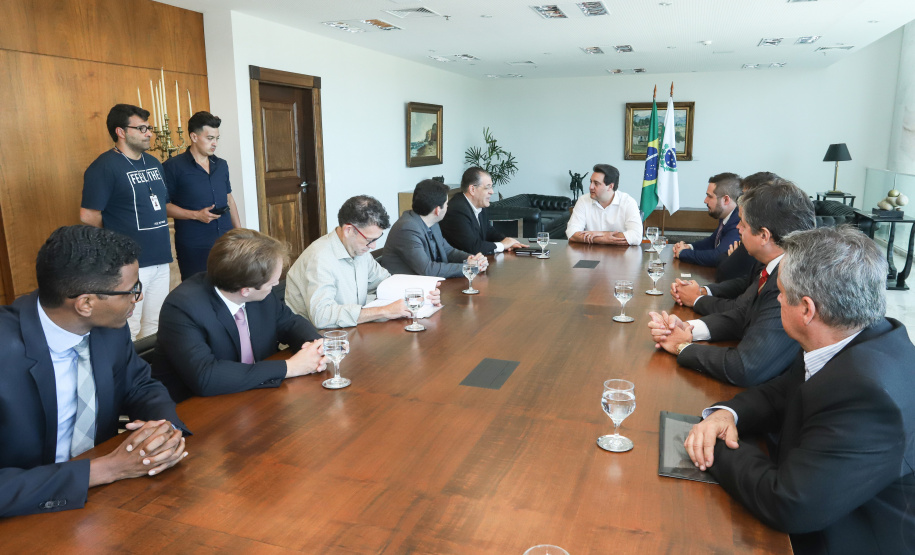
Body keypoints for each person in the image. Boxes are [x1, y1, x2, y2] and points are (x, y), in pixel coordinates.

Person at [684, 226, 915, 554]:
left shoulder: (869, 396)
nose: (776, 298)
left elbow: (788, 504)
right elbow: (782, 390)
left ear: (807, 310)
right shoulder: (853, 332)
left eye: (780, 292)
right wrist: (727, 414)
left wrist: (713, 445)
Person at [0, 226, 188, 518]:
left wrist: (164, 431)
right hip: (29, 514)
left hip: (107, 503)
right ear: (85, 303)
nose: (135, 300)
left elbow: (140, 385)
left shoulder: (108, 327)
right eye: (131, 291)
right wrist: (106, 469)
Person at [648, 180, 815, 386]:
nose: (737, 228)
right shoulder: (774, 263)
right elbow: (742, 315)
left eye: (743, 224)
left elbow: (746, 367)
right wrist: (688, 328)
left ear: (764, 235)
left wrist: (682, 347)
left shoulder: (792, 284)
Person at [155, 229, 326, 402]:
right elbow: (206, 376)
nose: (275, 286)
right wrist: (290, 367)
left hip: (257, 396)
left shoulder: (257, 288)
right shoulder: (182, 308)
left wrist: (317, 348)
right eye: (271, 284)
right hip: (200, 408)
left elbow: (290, 323)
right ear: (246, 291)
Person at [80, 104, 172, 341]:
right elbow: (88, 216)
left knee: (156, 325)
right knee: (127, 328)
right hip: (129, 264)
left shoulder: (153, 163)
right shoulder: (104, 166)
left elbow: (161, 205)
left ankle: (149, 376)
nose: (149, 133)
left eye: (149, 128)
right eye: (141, 128)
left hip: (161, 258)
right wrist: (115, 247)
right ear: (121, 132)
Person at [286, 195, 441, 329]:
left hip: (350, 331)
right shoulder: (320, 258)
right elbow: (322, 316)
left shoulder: (359, 249)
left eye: (376, 239)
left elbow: (385, 282)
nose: (373, 246)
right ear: (348, 230)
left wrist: (423, 294)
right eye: (369, 240)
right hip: (315, 341)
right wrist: (384, 310)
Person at [671, 171, 781, 313]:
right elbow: (744, 281)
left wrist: (697, 298)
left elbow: (724, 269)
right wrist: (702, 291)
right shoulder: (752, 232)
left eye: (745, 197)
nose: (740, 200)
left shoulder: (753, 229)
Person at [163, 111, 240, 280]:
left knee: (228, 288)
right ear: (194, 137)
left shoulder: (221, 165)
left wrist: (239, 233)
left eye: (217, 138)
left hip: (226, 242)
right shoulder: (172, 167)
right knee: (196, 293)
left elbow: (229, 199)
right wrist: (196, 215)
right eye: (210, 138)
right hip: (194, 246)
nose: (215, 144)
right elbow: (163, 206)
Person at [381, 179, 488, 278]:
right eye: (446, 204)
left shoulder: (432, 222)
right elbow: (428, 270)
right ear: (437, 210)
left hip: (427, 285)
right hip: (406, 290)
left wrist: (472, 259)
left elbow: (448, 251)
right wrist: (469, 267)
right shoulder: (407, 229)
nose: (448, 207)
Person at [439, 167, 525, 255]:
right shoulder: (457, 210)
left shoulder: (479, 205)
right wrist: (502, 245)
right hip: (461, 265)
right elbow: (472, 247)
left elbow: (488, 231)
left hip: (479, 262)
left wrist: (505, 240)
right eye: (487, 187)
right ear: (472, 189)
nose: (492, 192)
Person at [672, 172, 741, 266]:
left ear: (726, 200)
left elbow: (718, 256)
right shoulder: (726, 216)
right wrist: (689, 247)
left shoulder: (738, 222)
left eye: (710, 196)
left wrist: (683, 253)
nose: (705, 200)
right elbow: (711, 242)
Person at [565, 164, 642, 245]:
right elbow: (572, 233)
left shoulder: (628, 202)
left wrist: (602, 234)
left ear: (610, 186)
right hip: (589, 254)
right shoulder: (583, 200)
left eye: (596, 183)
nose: (591, 187)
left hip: (620, 254)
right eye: (591, 182)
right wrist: (601, 239)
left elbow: (636, 236)